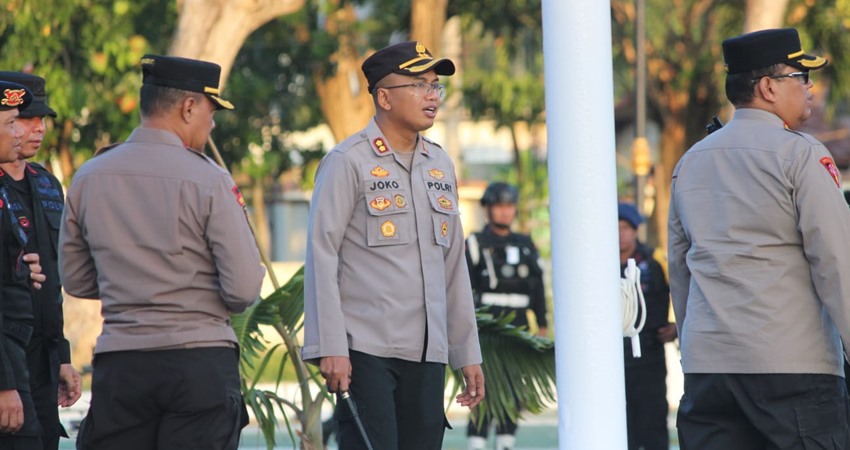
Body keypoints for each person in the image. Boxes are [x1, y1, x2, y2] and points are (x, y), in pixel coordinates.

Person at [58, 55, 266, 450]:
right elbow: (241, 289)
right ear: (189, 107)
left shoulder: (89, 175)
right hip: (198, 365)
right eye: (210, 110)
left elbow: (76, 279)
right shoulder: (208, 178)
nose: (213, 122)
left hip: (122, 364)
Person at [668, 28, 850, 449]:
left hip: (709, 371)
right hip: (793, 371)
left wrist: (695, 348)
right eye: (801, 76)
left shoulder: (691, 161)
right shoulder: (800, 154)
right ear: (768, 87)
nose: (810, 87)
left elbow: (682, 269)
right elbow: (836, 262)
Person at [302, 41, 485, 450]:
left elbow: (454, 265)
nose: (432, 96)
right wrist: (330, 346)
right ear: (383, 97)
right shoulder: (347, 161)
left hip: (428, 352)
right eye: (419, 85)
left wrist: (466, 351)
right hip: (366, 351)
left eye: (435, 87)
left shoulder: (441, 164)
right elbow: (321, 255)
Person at [0, 71, 81, 450]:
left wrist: (61, 355)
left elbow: (53, 280)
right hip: (7, 352)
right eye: (25, 119)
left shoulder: (47, 183)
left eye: (41, 119)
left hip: (41, 357)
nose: (37, 128)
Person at [464, 181, 546, 450]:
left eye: (509, 206)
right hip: (487, 324)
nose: (504, 212)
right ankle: (477, 442)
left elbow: (537, 286)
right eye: (498, 206)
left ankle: (505, 443)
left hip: (519, 323)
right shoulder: (476, 243)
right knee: (482, 386)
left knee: (513, 388)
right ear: (487, 209)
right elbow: (464, 286)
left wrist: (542, 323)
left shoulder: (524, 243)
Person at [0, 79, 49, 450]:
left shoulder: (44, 183)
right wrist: (5, 383)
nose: (21, 132)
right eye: (11, 123)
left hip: (29, 352)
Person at [618, 203, 675, 450]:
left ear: (635, 231)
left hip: (649, 353)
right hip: (614, 357)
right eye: (615, 228)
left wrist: (675, 327)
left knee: (652, 420)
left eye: (625, 228)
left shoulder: (653, 264)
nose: (620, 234)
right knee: (621, 422)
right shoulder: (597, 266)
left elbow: (675, 296)